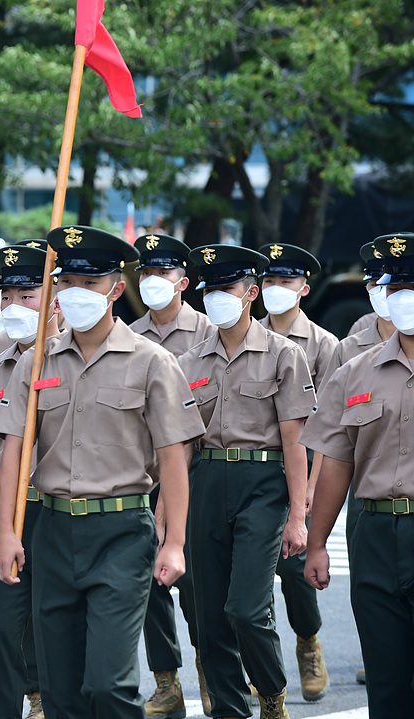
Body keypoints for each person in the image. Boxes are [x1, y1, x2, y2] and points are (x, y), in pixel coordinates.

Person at [0, 225, 203, 719]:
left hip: (121, 534)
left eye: (90, 285)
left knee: (109, 685)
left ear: (115, 288)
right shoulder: (36, 363)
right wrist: (6, 531)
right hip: (52, 531)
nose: (75, 295)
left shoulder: (152, 362)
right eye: (66, 284)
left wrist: (173, 541)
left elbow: (174, 456)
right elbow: (13, 452)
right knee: (61, 691)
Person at [178, 244, 316, 719]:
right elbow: (178, 448)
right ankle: (229, 711)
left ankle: (272, 692)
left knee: (245, 608)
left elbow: (295, 439)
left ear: (250, 293)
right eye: (209, 289)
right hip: (206, 481)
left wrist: (299, 517)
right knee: (208, 613)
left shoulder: (284, 354)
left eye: (226, 288)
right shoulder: (190, 361)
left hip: (263, 484)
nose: (216, 296)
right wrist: (166, 519)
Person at [302, 231, 414, 719]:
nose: (403, 297)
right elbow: (336, 463)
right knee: (386, 680)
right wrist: (317, 542)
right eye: (395, 287)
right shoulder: (355, 372)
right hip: (373, 533)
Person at [0, 243, 60, 719]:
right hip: (7, 514)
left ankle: (48, 697)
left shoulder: (75, 358)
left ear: (55, 297)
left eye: (27, 295)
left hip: (62, 513)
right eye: (8, 297)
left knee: (58, 630)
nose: (14, 307)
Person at [128, 233, 215, 719]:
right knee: (149, 583)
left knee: (197, 581)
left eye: (161, 273)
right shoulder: (129, 334)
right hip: (145, 472)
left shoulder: (208, 332)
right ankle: (166, 681)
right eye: (145, 273)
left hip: (196, 472)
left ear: (183, 280)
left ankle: (210, 665)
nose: (152, 282)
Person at [257, 243, 337, 702]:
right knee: (249, 574)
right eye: (267, 281)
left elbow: (326, 429)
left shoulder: (324, 345)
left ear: (303, 289)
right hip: (255, 470)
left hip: (302, 467)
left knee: (292, 568)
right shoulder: (248, 334)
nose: (274, 290)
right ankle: (263, 661)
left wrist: (307, 491)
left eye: (284, 282)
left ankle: (308, 641)